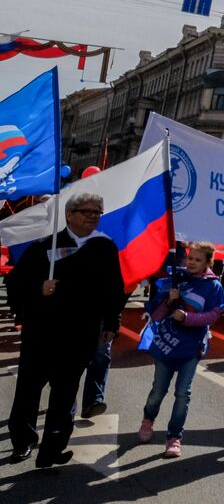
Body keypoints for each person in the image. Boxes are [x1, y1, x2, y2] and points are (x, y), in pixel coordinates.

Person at [6, 191, 125, 467]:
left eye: (97, 212)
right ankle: (23, 441)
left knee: (65, 393)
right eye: (87, 211)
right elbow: (14, 283)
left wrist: (110, 322)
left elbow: (114, 289)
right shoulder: (44, 246)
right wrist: (39, 288)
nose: (93, 216)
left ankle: (52, 450)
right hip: (41, 333)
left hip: (80, 334)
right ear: (70, 214)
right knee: (28, 391)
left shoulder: (105, 247)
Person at [137, 241, 224, 458]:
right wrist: (169, 300)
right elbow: (157, 315)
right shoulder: (175, 279)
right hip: (167, 345)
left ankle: (174, 437)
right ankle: (148, 420)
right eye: (190, 258)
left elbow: (213, 315)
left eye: (198, 260)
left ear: (208, 262)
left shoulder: (213, 287)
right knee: (158, 391)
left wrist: (188, 318)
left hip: (192, 347)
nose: (192, 263)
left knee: (182, 394)